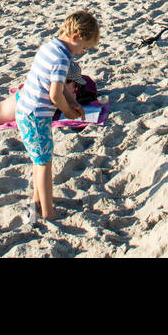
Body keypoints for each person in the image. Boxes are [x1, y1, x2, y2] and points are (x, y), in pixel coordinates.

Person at [16, 11, 101, 221]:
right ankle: (48, 212)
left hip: (25, 111)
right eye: (84, 47)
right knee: (44, 163)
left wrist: (72, 103)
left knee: (39, 160)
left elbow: (60, 87)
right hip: (36, 116)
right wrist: (67, 110)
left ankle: (37, 201)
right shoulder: (62, 59)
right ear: (76, 37)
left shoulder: (50, 47)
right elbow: (55, 95)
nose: (82, 52)